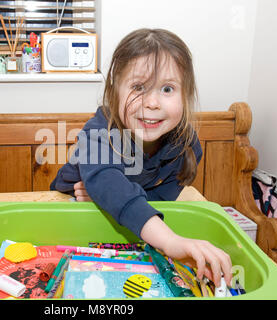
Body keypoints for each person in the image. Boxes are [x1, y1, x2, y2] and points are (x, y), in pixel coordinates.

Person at [50, 28, 232, 287]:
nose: (152, 102)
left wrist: (109, 199)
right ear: (115, 91)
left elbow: (156, 202)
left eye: (167, 89)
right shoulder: (98, 132)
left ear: (186, 95)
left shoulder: (186, 146)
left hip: (131, 223)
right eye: (138, 87)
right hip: (69, 211)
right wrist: (170, 241)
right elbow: (106, 179)